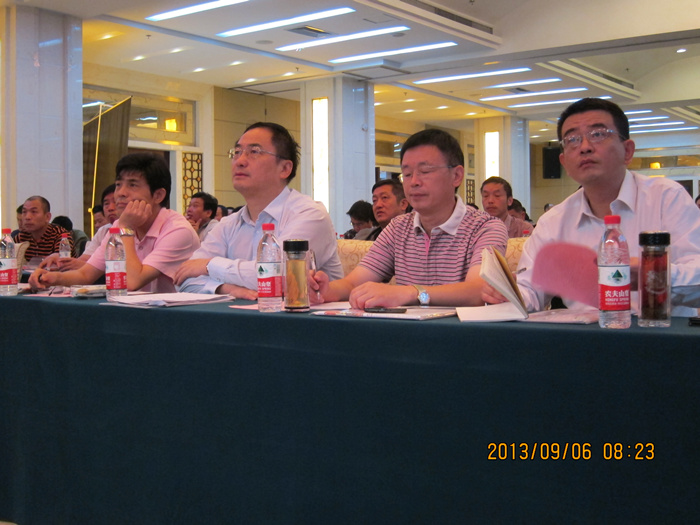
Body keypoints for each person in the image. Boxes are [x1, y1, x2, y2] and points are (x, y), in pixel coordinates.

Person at [483, 97, 700, 316]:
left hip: (660, 330)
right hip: (586, 334)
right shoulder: (554, 221)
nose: (585, 147)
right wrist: (508, 295)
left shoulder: (666, 198)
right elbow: (530, 291)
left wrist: (649, 274)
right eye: (573, 139)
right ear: (564, 161)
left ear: (627, 151)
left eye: (598, 134)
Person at [309, 128, 507, 309]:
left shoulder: (485, 227)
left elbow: (479, 290)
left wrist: (410, 293)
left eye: (425, 171)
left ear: (456, 175)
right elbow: (353, 283)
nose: (414, 182)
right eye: (407, 174)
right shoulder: (398, 227)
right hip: (406, 332)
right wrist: (326, 290)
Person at [175, 122, 342, 296]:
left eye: (254, 152)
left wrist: (210, 265)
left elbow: (280, 275)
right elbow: (183, 278)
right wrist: (227, 289)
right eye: (237, 152)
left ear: (285, 168)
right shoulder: (229, 224)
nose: (240, 161)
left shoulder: (309, 214)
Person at [29, 153, 200, 293]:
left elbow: (132, 282)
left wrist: (125, 229)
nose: (120, 193)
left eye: (132, 185)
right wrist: (52, 278)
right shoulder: (122, 224)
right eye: (118, 184)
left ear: (158, 195)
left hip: (177, 317)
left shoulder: (178, 230)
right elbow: (86, 274)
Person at [39, 184, 119, 272]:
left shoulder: (130, 230)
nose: (110, 208)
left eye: (115, 202)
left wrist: (86, 266)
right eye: (106, 204)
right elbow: (82, 260)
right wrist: (60, 259)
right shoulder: (103, 231)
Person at [12, 196, 72, 260]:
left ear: (47, 217)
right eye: (24, 212)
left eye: (34, 212)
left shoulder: (61, 236)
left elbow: (61, 263)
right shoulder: (21, 237)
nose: (27, 217)